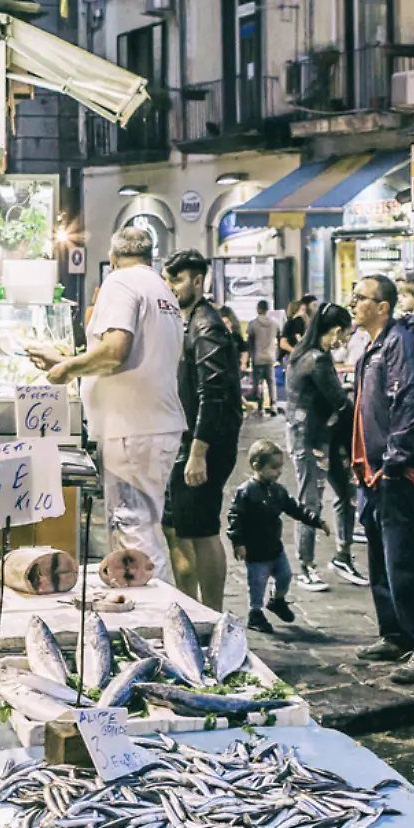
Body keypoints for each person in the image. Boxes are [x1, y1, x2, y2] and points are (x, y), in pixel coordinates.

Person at [28, 227, 185, 585]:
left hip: (132, 428)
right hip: (153, 424)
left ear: (113, 259)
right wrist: (66, 360)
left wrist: (66, 370)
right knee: (143, 526)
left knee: (133, 533)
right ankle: (150, 607)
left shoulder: (120, 282)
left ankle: (151, 614)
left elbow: (115, 351)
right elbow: (133, 357)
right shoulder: (161, 289)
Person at [350, 274, 414, 683]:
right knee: (381, 559)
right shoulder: (373, 346)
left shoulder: (399, 344)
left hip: (393, 471)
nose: (353, 304)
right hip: (372, 471)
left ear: (382, 306)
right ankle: (395, 635)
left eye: (361, 298)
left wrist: (394, 461)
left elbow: (409, 404)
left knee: (404, 561)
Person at [161, 248, 244, 610]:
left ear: (198, 281)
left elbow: (213, 394)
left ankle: (211, 614)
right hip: (186, 440)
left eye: (177, 280)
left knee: (202, 531)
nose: (171, 287)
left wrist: (199, 451)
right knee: (177, 527)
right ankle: (189, 611)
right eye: (168, 280)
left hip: (203, 445)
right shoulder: (188, 320)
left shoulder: (207, 326)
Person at [285, 302, 363, 589]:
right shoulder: (316, 359)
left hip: (322, 436)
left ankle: (341, 556)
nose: (344, 341)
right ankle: (305, 566)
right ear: (336, 330)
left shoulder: (305, 354)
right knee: (311, 501)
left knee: (344, 492)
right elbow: (339, 401)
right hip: (309, 439)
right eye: (344, 334)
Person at [228, 439, 326, 635]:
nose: (279, 472)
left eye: (280, 467)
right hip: (256, 551)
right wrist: (238, 543)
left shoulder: (278, 491)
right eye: (274, 467)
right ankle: (255, 612)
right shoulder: (246, 491)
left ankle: (277, 600)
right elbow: (235, 518)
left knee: (285, 575)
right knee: (257, 583)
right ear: (257, 466)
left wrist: (316, 521)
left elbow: (294, 509)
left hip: (275, 547)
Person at [247, 300, 279, 416]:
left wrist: (249, 358)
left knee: (258, 382)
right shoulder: (274, 324)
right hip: (270, 357)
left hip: (258, 357)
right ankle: (273, 406)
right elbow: (279, 338)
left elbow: (250, 342)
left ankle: (260, 407)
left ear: (258, 309)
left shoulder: (253, 324)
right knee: (271, 382)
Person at [279, 295, 317, 359]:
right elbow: (298, 338)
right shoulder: (297, 322)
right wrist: (297, 351)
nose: (304, 313)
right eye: (302, 310)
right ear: (296, 310)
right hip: (293, 356)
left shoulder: (291, 322)